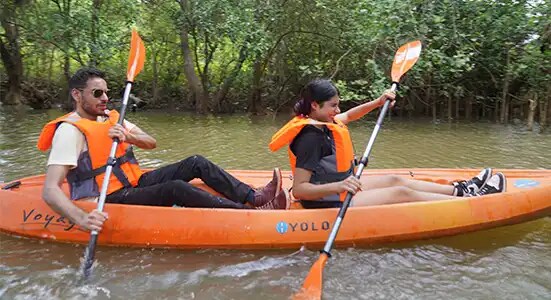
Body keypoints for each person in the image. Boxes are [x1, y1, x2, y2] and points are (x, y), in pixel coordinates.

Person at [39, 67, 290, 232]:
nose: (105, 98)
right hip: (107, 197)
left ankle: (253, 196)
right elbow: (51, 190)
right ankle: (247, 215)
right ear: (77, 94)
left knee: (195, 162)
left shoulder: (110, 118)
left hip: (134, 183)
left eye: (106, 92)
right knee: (175, 189)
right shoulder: (69, 131)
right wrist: (82, 219)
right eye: (97, 93)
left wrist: (128, 136)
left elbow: (151, 142)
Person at [269, 79, 506, 209]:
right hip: (326, 201)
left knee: (395, 179)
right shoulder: (310, 138)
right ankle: (469, 203)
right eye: (333, 105)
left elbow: (349, 116)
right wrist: (340, 185)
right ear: (315, 106)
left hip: (338, 190)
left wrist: (379, 101)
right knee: (401, 193)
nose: (337, 110)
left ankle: (463, 189)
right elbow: (300, 190)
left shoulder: (324, 121)